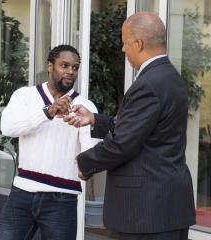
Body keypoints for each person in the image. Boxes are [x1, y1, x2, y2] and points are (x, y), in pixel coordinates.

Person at [64, 12, 195, 240]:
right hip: (164, 208)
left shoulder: (149, 84)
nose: (123, 50)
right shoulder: (170, 77)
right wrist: (95, 119)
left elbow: (123, 143)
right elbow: (146, 130)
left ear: (139, 44)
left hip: (146, 212)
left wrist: (85, 162)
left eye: (125, 43)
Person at [0, 44, 99, 240]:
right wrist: (47, 112)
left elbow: (90, 151)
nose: (70, 71)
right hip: (22, 193)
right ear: (50, 66)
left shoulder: (85, 106)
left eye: (75, 67)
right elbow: (7, 127)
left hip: (62, 198)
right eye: (64, 65)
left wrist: (88, 165)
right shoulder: (25, 95)